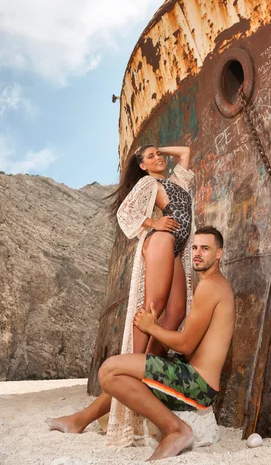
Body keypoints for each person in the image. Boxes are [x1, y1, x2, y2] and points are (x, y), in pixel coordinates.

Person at [46, 145, 195, 442]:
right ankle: (136, 362)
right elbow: (126, 213)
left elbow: (186, 152)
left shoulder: (176, 182)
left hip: (176, 249)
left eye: (158, 154)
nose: (158, 158)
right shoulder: (148, 183)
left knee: (176, 312)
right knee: (153, 306)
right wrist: (153, 222)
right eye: (150, 156)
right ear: (141, 167)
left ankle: (85, 414)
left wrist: (158, 148)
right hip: (162, 241)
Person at [98, 226, 235, 461]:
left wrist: (152, 327)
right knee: (119, 371)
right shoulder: (215, 284)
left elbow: (185, 345)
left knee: (109, 371)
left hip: (197, 384)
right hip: (191, 373)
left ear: (219, 254)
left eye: (205, 248)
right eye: (194, 247)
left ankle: (176, 429)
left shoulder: (210, 287)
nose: (198, 253)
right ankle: (81, 420)